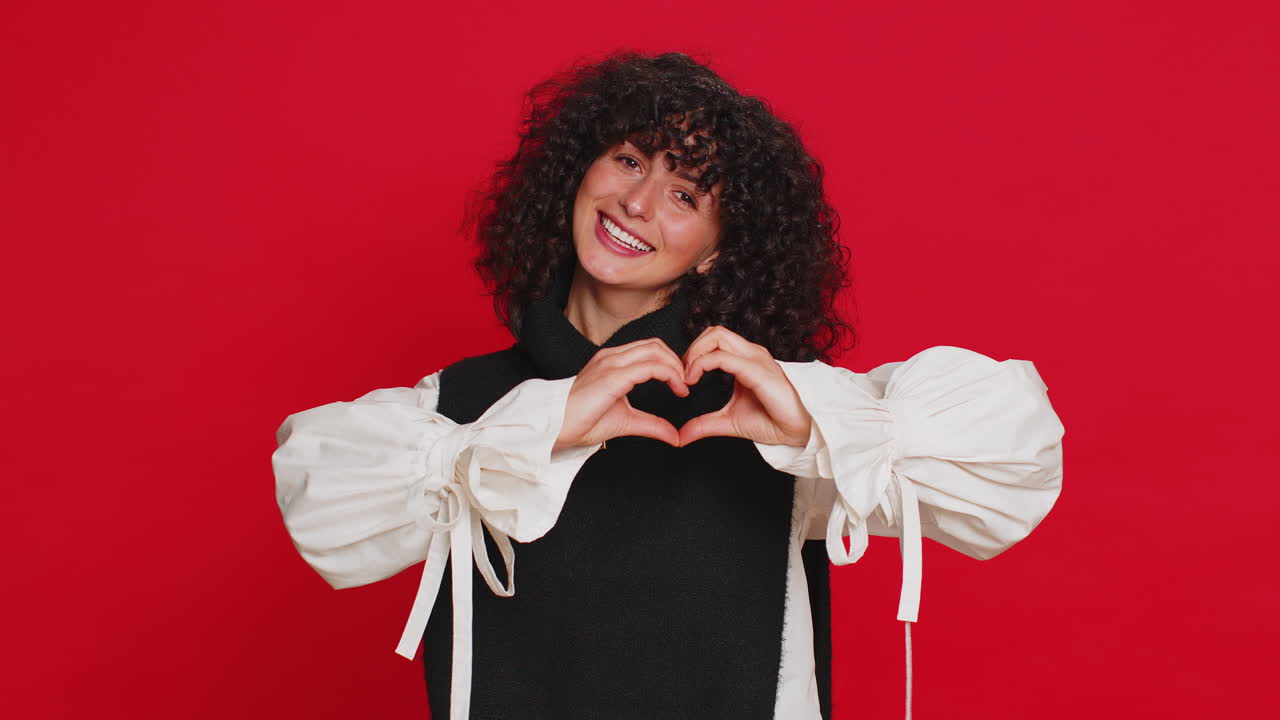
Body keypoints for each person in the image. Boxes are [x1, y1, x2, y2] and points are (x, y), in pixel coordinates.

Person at [272, 51, 1065, 720]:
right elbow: (317, 495)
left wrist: (821, 423)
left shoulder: (763, 403)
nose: (638, 201)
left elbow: (1021, 460)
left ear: (719, 250)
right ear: (580, 169)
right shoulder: (456, 414)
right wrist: (537, 426)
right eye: (628, 159)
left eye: (686, 195)